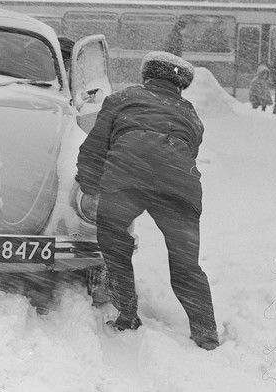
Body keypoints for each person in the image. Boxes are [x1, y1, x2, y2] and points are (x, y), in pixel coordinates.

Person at [75, 51, 220, 350]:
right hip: (180, 185)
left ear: (147, 77)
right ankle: (206, 335)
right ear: (180, 86)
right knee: (185, 264)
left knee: (115, 244)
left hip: (128, 175)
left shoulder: (122, 98)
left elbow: (93, 149)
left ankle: (127, 314)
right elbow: (189, 150)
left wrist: (90, 189)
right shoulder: (190, 113)